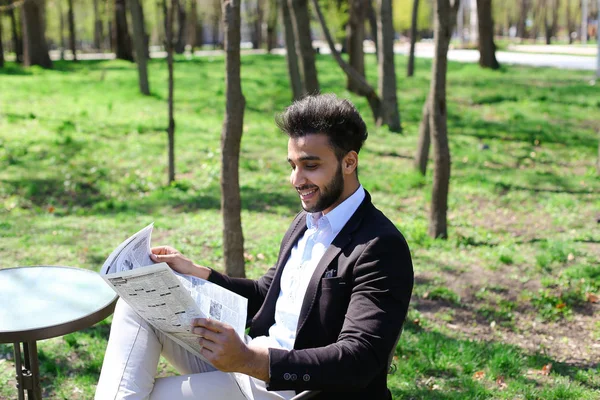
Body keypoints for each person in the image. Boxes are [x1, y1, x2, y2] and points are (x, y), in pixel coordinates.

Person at [95, 94, 414, 400]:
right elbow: (266, 292)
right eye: (292, 164)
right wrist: (197, 272)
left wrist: (248, 360)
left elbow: (358, 360)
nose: (296, 179)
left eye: (310, 165)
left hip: (296, 389)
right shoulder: (308, 221)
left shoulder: (380, 246)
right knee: (136, 303)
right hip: (249, 358)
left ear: (349, 162)